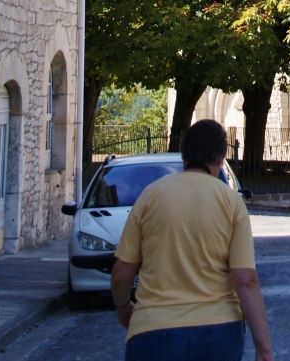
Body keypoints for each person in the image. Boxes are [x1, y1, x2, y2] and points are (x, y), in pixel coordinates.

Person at [111, 118, 275, 361]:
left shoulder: (150, 196)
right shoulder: (231, 202)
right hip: (220, 330)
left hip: (153, 330)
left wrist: (123, 307)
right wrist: (263, 348)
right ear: (220, 160)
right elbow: (245, 280)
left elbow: (121, 275)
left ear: (183, 155)